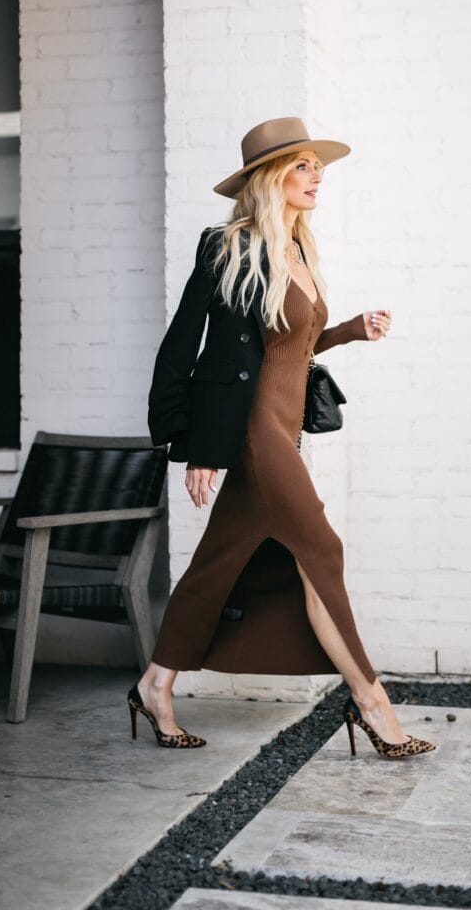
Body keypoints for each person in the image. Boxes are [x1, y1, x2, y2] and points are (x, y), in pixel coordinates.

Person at [127, 117, 435, 760]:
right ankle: (372, 704)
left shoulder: (300, 248)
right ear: (270, 178)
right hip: (251, 435)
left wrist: (348, 329)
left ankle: (155, 685)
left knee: (215, 567)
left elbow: (289, 348)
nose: (316, 174)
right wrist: (196, 449)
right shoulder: (228, 246)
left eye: (317, 165)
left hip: (282, 434)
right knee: (321, 548)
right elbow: (183, 349)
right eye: (301, 165)